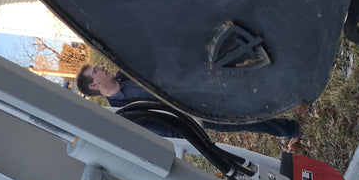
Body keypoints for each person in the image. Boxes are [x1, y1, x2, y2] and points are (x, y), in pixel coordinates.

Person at [76, 64, 302, 151]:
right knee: (246, 120)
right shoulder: (125, 112)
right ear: (94, 85)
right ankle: (290, 129)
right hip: (196, 115)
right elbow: (164, 128)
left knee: (244, 90)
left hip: (197, 88)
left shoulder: (125, 73)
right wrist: (193, 125)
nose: (101, 67)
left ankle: (292, 93)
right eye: (96, 70)